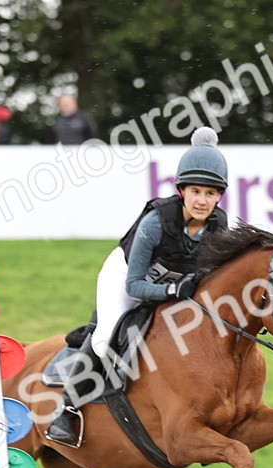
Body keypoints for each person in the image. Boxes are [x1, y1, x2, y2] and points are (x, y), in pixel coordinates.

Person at [46, 126, 229, 447]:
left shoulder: (218, 224)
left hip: (173, 279)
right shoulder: (156, 222)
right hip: (126, 275)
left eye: (210, 193)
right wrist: (173, 292)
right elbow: (134, 286)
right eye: (196, 192)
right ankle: (66, 410)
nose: (202, 200)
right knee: (106, 336)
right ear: (182, 190)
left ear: (219, 196)